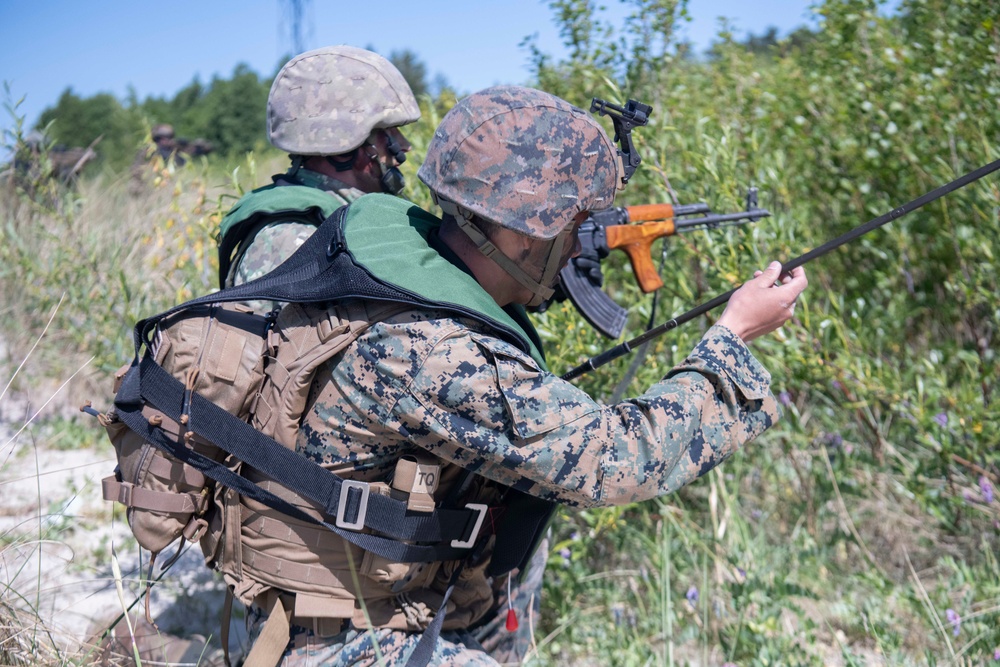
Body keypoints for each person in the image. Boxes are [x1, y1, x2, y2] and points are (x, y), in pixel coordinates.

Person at [230, 85, 807, 666]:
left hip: (374, 593)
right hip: (330, 637)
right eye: (573, 220)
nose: (578, 236)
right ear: (525, 228)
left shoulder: (399, 262)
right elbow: (616, 459)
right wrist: (730, 341)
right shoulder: (430, 348)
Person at [216, 45, 420, 293]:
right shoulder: (292, 242)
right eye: (389, 133)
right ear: (347, 144)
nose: (404, 146)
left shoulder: (355, 216)